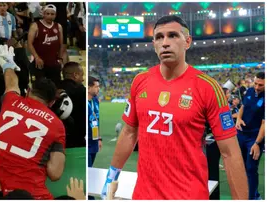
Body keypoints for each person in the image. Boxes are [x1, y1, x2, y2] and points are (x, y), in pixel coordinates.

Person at [101, 15, 248, 200]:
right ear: (154, 44)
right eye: (159, 37)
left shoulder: (208, 88)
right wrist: (111, 176)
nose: (165, 43)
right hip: (144, 195)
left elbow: (230, 153)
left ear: (187, 42)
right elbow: (129, 132)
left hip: (188, 195)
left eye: (172, 35)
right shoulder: (140, 81)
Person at [0, 45, 66, 200]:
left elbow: (11, 83)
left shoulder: (11, 101)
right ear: (52, 102)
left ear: (28, 91)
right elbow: (55, 174)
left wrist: (8, 65)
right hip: (31, 192)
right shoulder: (56, 125)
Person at [235, 72, 265, 200]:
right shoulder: (250, 91)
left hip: (254, 137)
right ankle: (244, 194)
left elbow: (265, 123)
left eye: (261, 85)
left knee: (251, 168)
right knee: (240, 167)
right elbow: (243, 106)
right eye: (256, 83)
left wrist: (257, 143)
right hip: (241, 134)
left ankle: (252, 197)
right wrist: (238, 119)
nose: (257, 87)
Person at [28, 4, 64, 86]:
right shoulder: (35, 26)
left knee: (55, 86)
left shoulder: (58, 26)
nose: (49, 16)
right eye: (47, 14)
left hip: (53, 62)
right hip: (39, 62)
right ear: (43, 14)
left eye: (52, 14)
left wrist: (60, 58)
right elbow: (29, 44)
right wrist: (36, 57)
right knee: (39, 88)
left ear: (55, 15)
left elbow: (61, 44)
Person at [59, 62, 86, 148]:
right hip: (77, 141)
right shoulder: (81, 91)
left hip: (57, 139)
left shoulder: (54, 88)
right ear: (75, 75)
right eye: (82, 75)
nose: (83, 79)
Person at [88, 76, 102, 167]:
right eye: (96, 87)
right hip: (87, 143)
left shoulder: (95, 100)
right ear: (89, 88)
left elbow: (97, 120)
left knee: (91, 168)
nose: (99, 89)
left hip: (94, 142)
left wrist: (99, 138)